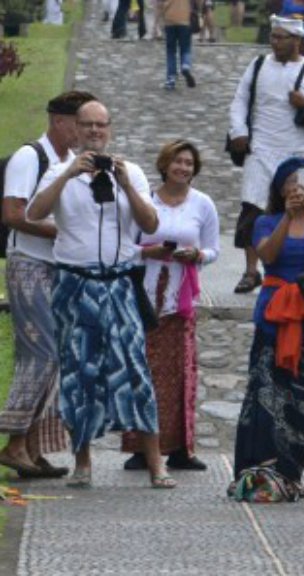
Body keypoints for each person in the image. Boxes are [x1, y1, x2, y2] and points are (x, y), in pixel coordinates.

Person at [26, 100, 175, 490]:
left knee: (136, 371)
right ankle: (83, 462)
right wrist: (67, 175)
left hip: (120, 282)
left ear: (109, 129)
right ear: (75, 129)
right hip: (74, 284)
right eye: (87, 125)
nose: (94, 131)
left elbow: (151, 223)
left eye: (101, 125)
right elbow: (33, 213)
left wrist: (126, 183)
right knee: (79, 372)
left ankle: (156, 462)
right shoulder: (60, 172)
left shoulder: (134, 172)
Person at [0, 91, 97, 479]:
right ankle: (14, 442)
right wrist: (59, 232)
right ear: (59, 121)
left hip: (61, 268)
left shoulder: (73, 162)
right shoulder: (30, 157)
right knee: (42, 354)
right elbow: (12, 213)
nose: (86, 130)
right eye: (80, 122)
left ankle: (31, 447)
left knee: (58, 359)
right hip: (28, 264)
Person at [233, 157, 304, 497]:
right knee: (266, 388)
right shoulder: (266, 221)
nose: (298, 188)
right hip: (275, 313)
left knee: (302, 397)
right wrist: (289, 218)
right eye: (291, 183)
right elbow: (267, 255)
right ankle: (259, 469)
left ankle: (291, 473)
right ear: (280, 190)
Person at [121, 140, 219, 472]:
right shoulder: (145, 202)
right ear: (165, 164)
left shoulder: (203, 204)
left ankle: (181, 449)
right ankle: (140, 448)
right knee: (142, 372)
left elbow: (213, 248)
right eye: (177, 161)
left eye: (189, 163)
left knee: (182, 374)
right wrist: (148, 252)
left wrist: (198, 256)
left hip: (179, 300)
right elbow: (126, 246)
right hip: (145, 298)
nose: (183, 168)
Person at [228, 15, 304, 294]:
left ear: (297, 40)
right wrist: (238, 130)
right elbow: (240, 100)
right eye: (273, 36)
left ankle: (302, 266)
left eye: (281, 37)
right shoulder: (257, 66)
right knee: (252, 208)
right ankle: (251, 271)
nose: (275, 42)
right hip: (261, 149)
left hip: (300, 152)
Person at [161, 0, 195, 90]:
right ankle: (185, 65)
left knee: (170, 51)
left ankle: (170, 79)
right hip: (184, 19)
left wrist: (158, 22)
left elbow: (159, 4)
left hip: (169, 19)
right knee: (185, 48)